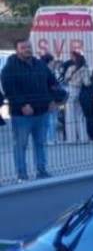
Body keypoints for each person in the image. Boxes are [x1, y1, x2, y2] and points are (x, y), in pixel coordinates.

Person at [0, 39, 60, 181]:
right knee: (21, 145)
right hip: (21, 115)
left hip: (42, 111)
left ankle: (42, 170)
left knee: (40, 143)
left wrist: (53, 99)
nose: (27, 49)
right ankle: (22, 174)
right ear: (17, 50)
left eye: (28, 46)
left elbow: (53, 83)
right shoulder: (9, 68)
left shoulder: (40, 65)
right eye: (23, 47)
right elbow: (10, 90)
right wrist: (22, 105)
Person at [62, 51, 92, 143]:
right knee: (80, 115)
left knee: (70, 117)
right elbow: (87, 83)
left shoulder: (71, 68)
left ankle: (71, 139)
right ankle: (83, 137)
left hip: (70, 91)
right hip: (78, 92)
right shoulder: (85, 69)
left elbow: (65, 79)